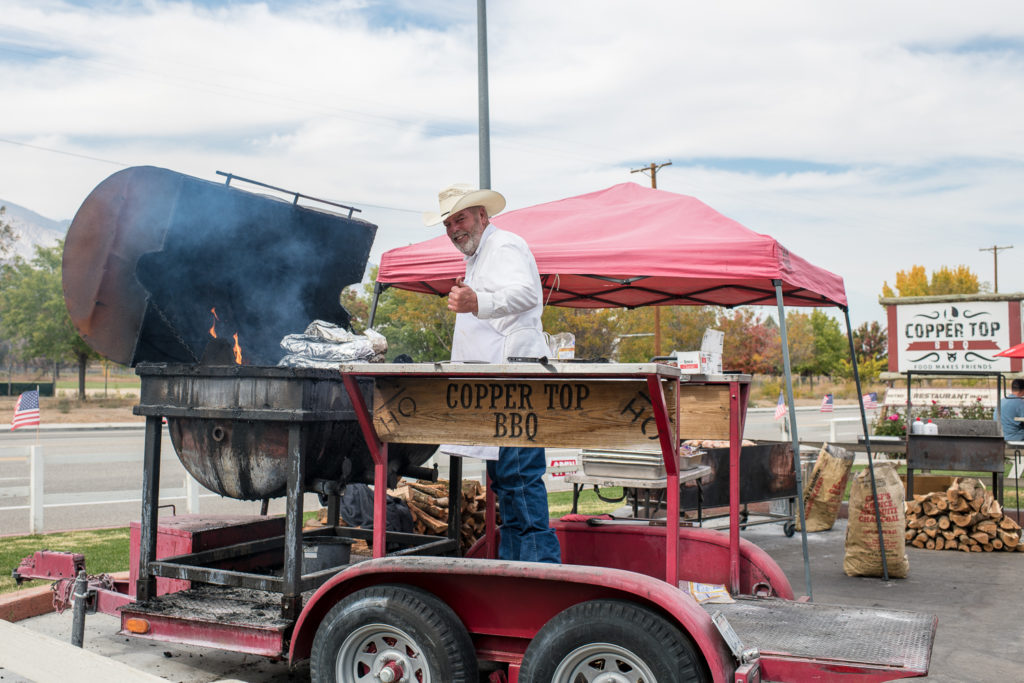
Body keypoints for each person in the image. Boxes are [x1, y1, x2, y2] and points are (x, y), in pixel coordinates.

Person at [424, 183, 561, 564]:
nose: (454, 229)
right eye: (448, 224)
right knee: (509, 482)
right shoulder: (481, 255)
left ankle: (541, 572)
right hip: (500, 383)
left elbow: (527, 293)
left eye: (460, 219)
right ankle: (519, 570)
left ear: (483, 216)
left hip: (515, 380)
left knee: (519, 479)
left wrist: (477, 301)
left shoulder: (504, 245)